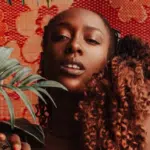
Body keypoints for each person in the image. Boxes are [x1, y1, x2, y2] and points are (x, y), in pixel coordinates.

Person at [0, 7, 149, 150]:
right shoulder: (15, 136)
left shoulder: (132, 141)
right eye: (61, 37)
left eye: (92, 40)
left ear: (111, 62)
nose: (74, 45)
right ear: (43, 59)